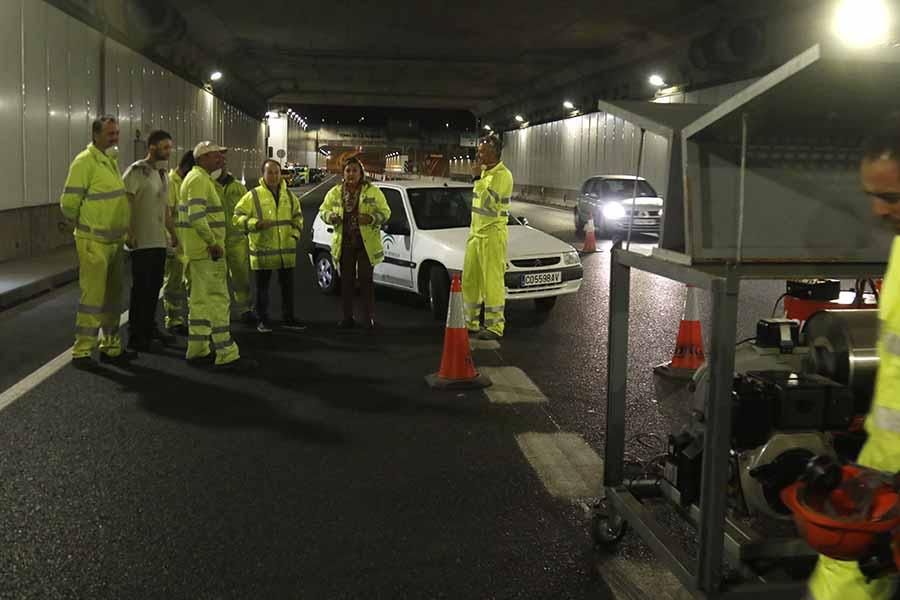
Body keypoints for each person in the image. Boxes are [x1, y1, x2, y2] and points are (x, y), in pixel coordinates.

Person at [806, 114, 900, 599]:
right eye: (873, 196)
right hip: (882, 471)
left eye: (892, 197)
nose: (880, 211)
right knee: (840, 584)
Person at [60, 116, 135, 370]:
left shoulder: (109, 160)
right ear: (95, 135)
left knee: (113, 298)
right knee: (93, 298)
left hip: (114, 242)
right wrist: (83, 224)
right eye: (110, 134)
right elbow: (68, 204)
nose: (115, 138)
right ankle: (82, 352)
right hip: (93, 241)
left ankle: (111, 347)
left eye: (116, 133)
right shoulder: (85, 162)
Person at [178, 141, 257, 373]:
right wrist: (213, 243)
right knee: (218, 300)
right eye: (216, 156)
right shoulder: (200, 180)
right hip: (206, 252)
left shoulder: (195, 179)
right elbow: (197, 216)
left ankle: (198, 349)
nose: (220, 160)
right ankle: (226, 353)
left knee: (200, 303)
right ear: (203, 158)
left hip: (197, 252)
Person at [318, 157, 390, 329]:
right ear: (343, 173)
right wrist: (330, 217)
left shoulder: (373, 191)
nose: (351, 174)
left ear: (361, 173)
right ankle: (347, 318)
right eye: (348, 170)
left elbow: (386, 212)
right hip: (344, 243)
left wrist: (372, 218)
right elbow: (323, 210)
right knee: (346, 282)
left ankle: (368, 318)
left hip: (366, 244)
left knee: (366, 281)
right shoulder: (335, 192)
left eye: (354, 170)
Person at [234, 159, 304, 333]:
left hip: (285, 252)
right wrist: (255, 224)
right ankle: (262, 320)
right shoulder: (253, 196)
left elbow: (298, 218)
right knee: (262, 290)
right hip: (263, 251)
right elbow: (237, 217)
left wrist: (294, 236)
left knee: (288, 288)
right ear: (262, 174)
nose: (273, 176)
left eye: (276, 172)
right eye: (269, 172)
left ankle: (289, 318)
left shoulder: (290, 196)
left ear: (281, 174)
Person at [123, 130, 178, 351]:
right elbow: (125, 202)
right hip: (142, 241)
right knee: (141, 290)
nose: (168, 152)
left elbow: (164, 208)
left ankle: (150, 327)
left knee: (154, 289)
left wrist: (172, 233)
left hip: (157, 241)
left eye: (170, 148)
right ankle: (137, 336)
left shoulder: (162, 174)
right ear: (152, 147)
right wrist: (128, 232)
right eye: (165, 147)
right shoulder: (137, 171)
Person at [463, 134, 514, 340]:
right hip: (476, 235)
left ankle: (494, 327)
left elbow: (489, 202)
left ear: (494, 152)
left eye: (482, 151)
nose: (478, 154)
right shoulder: (485, 173)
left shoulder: (503, 175)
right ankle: (470, 322)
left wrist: (477, 179)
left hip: (493, 235)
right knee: (470, 280)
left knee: (492, 281)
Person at [214, 166, 254, 324]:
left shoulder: (238, 187)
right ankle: (220, 312)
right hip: (215, 241)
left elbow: (248, 210)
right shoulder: (208, 185)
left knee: (241, 277)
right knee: (217, 279)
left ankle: (245, 309)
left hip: (236, 241)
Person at [163, 150, 194, 335]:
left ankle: (192, 316)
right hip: (175, 239)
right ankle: (173, 319)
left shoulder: (186, 182)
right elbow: (167, 213)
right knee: (174, 282)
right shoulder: (171, 182)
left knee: (191, 281)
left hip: (189, 241)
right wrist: (172, 238)